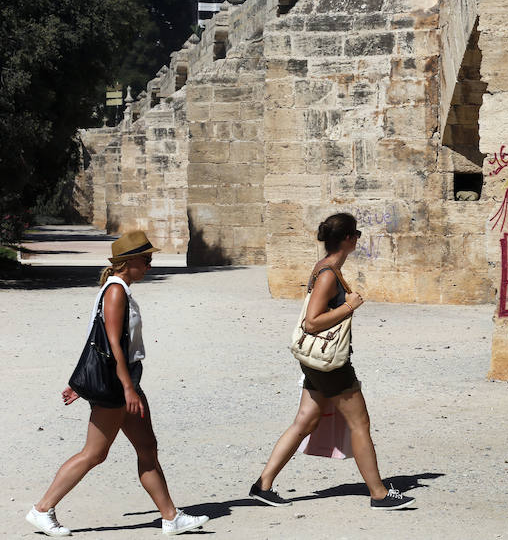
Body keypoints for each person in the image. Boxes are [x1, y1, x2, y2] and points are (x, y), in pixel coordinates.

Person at [26, 231, 209, 537]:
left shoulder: (118, 289)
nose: (149, 265)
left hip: (125, 382)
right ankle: (42, 509)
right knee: (94, 453)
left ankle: (170, 517)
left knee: (147, 448)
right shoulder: (115, 291)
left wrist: (80, 382)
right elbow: (111, 344)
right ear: (128, 262)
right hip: (117, 386)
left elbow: (93, 337)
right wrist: (126, 388)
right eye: (145, 259)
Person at [249, 212, 415, 510]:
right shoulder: (327, 274)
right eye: (357, 235)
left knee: (305, 421)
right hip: (330, 364)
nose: (358, 240)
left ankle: (263, 485)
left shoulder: (327, 267)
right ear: (349, 239)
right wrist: (349, 306)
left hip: (314, 361)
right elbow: (312, 322)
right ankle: (379, 494)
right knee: (360, 423)